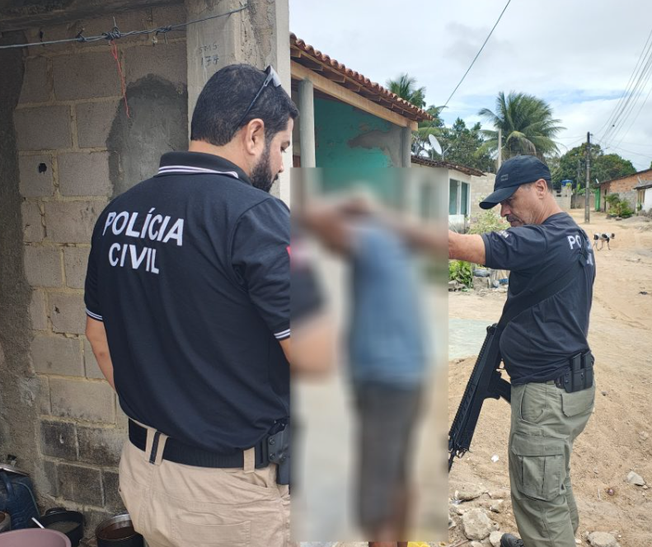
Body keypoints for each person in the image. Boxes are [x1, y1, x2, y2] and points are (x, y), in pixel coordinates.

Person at [84, 64, 315, 547]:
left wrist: (172, 408)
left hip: (147, 473)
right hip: (231, 499)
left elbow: (99, 339)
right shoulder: (256, 215)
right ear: (255, 134)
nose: (280, 165)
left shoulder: (118, 213)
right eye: (283, 148)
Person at [448, 155, 596, 547]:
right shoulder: (576, 236)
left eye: (510, 200)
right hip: (571, 385)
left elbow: (454, 244)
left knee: (539, 499)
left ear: (541, 188)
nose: (504, 211)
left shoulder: (542, 240)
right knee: (552, 483)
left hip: (548, 394)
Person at [300, 193, 446, 547]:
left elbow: (313, 217)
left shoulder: (369, 239)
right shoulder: (397, 242)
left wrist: (349, 204)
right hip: (410, 377)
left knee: (377, 493)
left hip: (383, 381)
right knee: (397, 474)